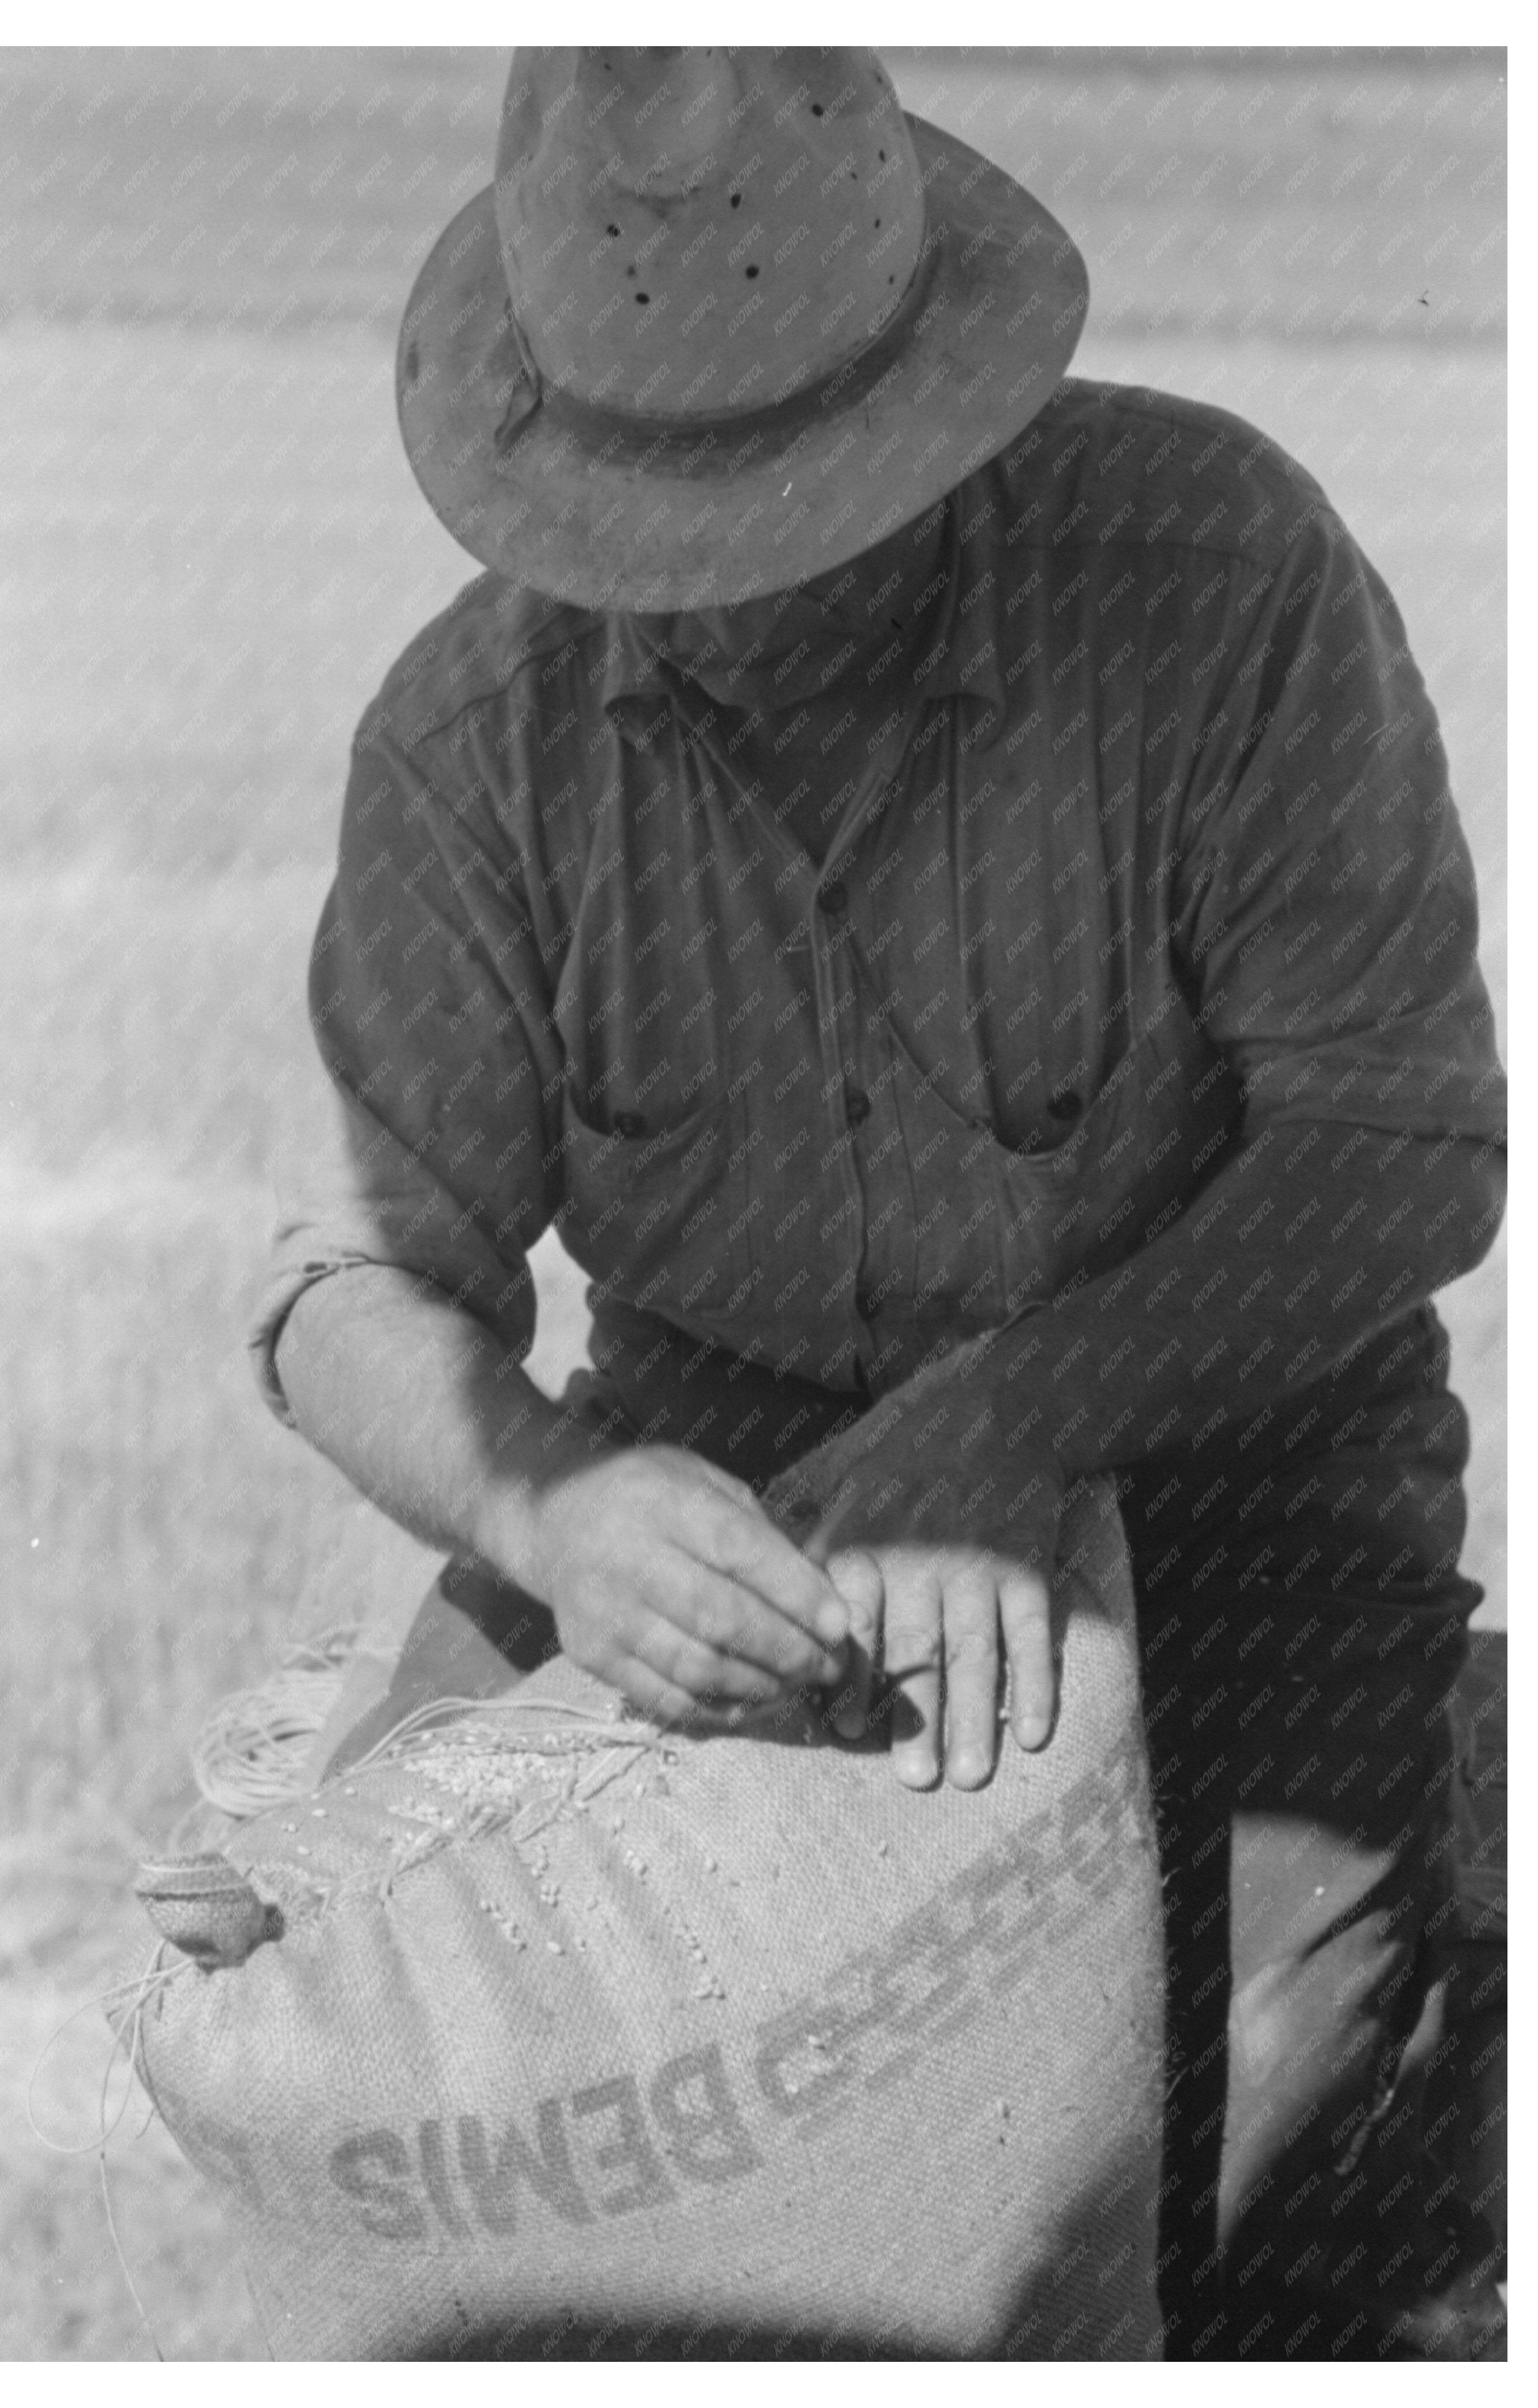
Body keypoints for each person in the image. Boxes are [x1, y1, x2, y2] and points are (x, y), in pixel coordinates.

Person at [249, 48, 1506, 2359]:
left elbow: (1408, 1145)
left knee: (1265, 2100)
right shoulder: (467, 741)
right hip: (708, 1451)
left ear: (949, 412)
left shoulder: (1221, 572)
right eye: (655, 525)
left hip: (1240, 1427)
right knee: (397, 2015)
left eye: (790, 507)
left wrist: (1027, 1422)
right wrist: (560, 1517)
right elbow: (356, 1288)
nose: (720, 590)